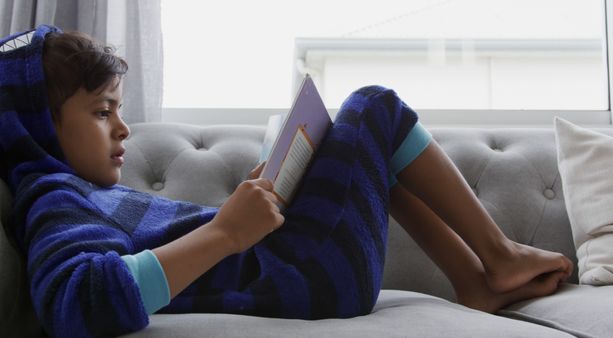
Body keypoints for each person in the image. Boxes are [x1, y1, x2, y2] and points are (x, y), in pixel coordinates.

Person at [0, 25, 573, 338]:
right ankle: (497, 256)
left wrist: (260, 203)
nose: (124, 128)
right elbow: (79, 299)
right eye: (102, 113)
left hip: (293, 263)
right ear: (37, 126)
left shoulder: (84, 192)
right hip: (305, 275)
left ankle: (475, 279)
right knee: (376, 105)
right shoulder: (55, 197)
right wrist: (225, 232)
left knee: (358, 152)